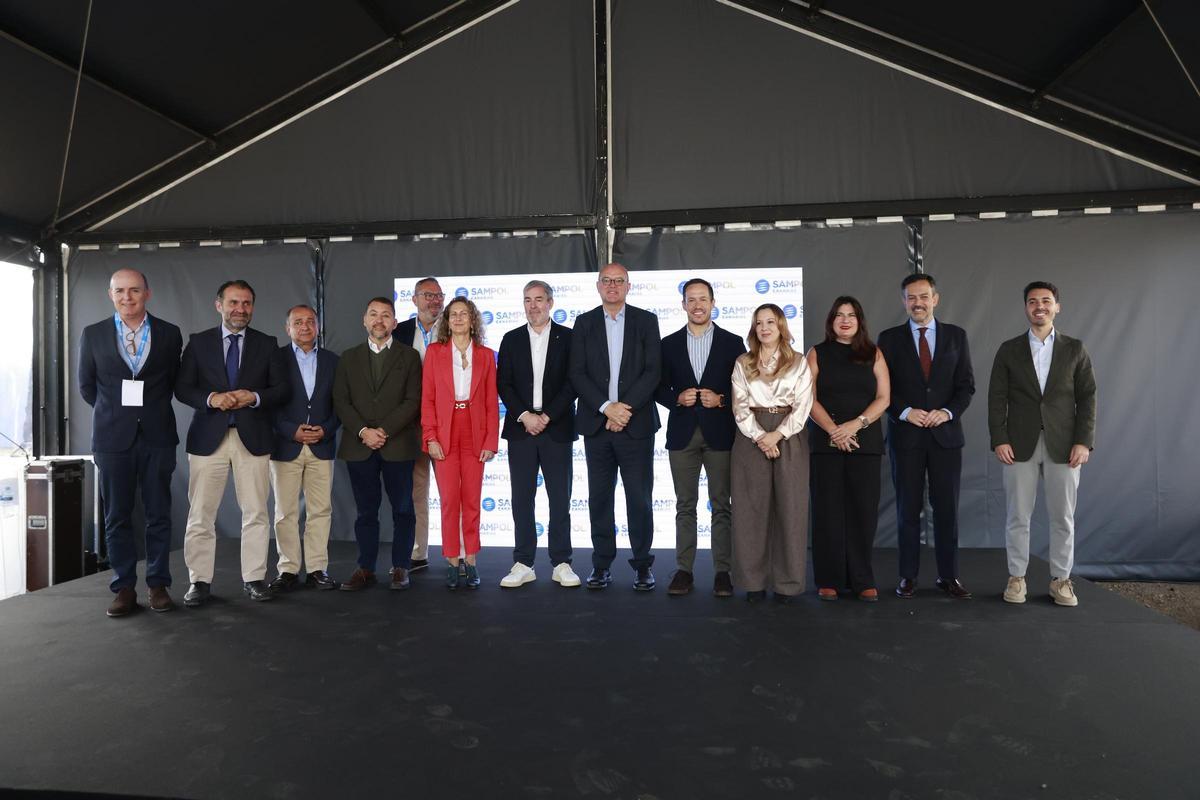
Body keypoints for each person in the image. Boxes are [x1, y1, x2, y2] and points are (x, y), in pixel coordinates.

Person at [175, 280, 288, 606]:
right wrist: (211, 398)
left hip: (253, 438)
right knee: (200, 515)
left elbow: (281, 390)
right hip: (208, 438)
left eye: (247, 303)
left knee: (256, 513)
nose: (241, 309)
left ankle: (254, 578)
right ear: (219, 305)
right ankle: (199, 582)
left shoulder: (267, 344)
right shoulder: (198, 343)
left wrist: (252, 397)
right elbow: (183, 388)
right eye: (234, 303)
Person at [78, 269, 182, 616]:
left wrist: (143, 414)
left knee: (158, 514)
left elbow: (171, 383)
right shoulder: (92, 334)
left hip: (157, 437)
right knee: (116, 516)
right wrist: (119, 414)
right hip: (111, 439)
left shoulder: (169, 334)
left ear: (147, 294)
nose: (127, 297)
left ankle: (158, 585)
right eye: (120, 291)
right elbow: (87, 387)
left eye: (134, 290)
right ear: (111, 295)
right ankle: (123, 587)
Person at [989, 281, 1097, 607]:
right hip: (1018, 444)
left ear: (1057, 307)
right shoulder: (1009, 350)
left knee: (1062, 517)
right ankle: (1017, 577)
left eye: (1046, 301)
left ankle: (1061, 580)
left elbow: (1087, 398)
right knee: (1017, 516)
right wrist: (999, 439)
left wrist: (1083, 442)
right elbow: (997, 398)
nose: (1040, 306)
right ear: (1025, 308)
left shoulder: (1075, 349)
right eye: (1033, 301)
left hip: (1064, 445)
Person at [877, 274, 975, 600]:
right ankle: (908, 576)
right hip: (906, 437)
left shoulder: (957, 337)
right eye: (911, 298)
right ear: (903, 301)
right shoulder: (888, 339)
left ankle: (949, 577)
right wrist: (905, 412)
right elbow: (881, 389)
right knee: (907, 510)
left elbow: (966, 386)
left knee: (946, 510)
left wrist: (946, 412)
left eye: (924, 296)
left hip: (946, 437)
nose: (917, 303)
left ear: (936, 298)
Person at [568, 262, 662, 591]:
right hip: (597, 425)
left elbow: (653, 371)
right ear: (597, 286)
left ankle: (641, 565)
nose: (612, 286)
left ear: (628, 286)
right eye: (606, 281)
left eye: (618, 281)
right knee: (599, 498)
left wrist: (624, 410)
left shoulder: (646, 321)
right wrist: (607, 408)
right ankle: (601, 564)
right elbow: (576, 373)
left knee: (639, 498)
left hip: (635, 427)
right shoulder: (584, 323)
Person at [655, 278, 745, 597]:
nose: (697, 305)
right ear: (683, 305)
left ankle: (723, 571)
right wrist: (675, 399)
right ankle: (684, 570)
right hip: (682, 434)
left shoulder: (733, 343)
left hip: (720, 433)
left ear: (712, 302)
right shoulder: (667, 344)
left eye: (702, 299)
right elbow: (657, 387)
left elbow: (744, 389)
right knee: (685, 506)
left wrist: (721, 400)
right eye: (690, 299)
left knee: (722, 505)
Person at [332, 296, 423, 591]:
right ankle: (366, 568)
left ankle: (400, 567)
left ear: (395, 322)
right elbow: (341, 401)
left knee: (403, 510)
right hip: (359, 446)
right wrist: (363, 431)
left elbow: (413, 401)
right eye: (373, 314)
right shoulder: (348, 357)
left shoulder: (409, 357)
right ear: (364, 320)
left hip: (398, 445)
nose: (379, 320)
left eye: (386, 315)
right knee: (366, 513)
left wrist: (382, 430)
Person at [495, 280, 580, 589]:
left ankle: (561, 562)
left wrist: (546, 416)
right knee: (521, 499)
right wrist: (525, 416)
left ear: (550, 303)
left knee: (560, 499)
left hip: (555, 427)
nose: (533, 305)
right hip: (521, 429)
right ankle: (523, 562)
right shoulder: (511, 338)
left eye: (539, 299)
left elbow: (574, 382)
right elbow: (503, 383)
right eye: (528, 299)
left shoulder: (569, 338)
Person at [806, 297, 890, 602]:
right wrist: (833, 431)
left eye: (851, 315)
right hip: (826, 443)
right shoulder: (817, 353)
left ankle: (861, 579)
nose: (845, 320)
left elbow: (884, 398)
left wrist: (856, 424)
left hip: (865, 442)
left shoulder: (873, 353)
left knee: (862, 511)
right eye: (839, 315)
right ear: (831, 321)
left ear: (860, 320)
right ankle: (828, 579)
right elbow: (808, 398)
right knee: (827, 512)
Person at [730, 304, 814, 603]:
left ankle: (787, 584)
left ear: (780, 326)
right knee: (751, 509)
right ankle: (753, 582)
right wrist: (760, 436)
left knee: (790, 508)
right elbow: (739, 406)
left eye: (770, 322)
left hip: (788, 433)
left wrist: (777, 434)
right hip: (751, 435)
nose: (764, 327)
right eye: (758, 323)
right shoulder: (743, 362)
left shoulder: (798, 362)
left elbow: (803, 406)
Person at [421, 297, 499, 589]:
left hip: (475, 432)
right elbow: (427, 400)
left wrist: (491, 440)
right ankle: (453, 561)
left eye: (463, 314)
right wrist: (430, 437)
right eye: (452, 314)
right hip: (444, 431)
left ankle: (472, 561)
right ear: (446, 320)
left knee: (472, 502)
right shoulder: (434, 353)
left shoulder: (486, 355)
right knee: (450, 501)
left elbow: (492, 401)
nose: (457, 319)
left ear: (473, 320)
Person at [267, 305, 340, 592]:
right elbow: (267, 403)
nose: (305, 326)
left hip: (322, 445)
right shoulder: (275, 360)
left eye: (310, 321)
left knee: (321, 510)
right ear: (288, 328)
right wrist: (290, 430)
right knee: (285, 512)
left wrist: (327, 429)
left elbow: (342, 403)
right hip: (286, 446)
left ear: (318, 326)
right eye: (298, 322)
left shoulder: (334, 361)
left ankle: (317, 569)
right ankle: (287, 569)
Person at [395, 276, 444, 572]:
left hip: (444, 424)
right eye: (428, 295)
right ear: (414, 300)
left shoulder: (454, 329)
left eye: (439, 296)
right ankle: (417, 552)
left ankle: (459, 552)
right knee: (416, 491)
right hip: (409, 425)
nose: (434, 300)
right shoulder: (398, 332)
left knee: (452, 490)